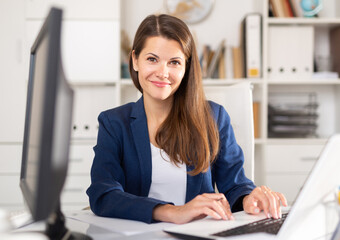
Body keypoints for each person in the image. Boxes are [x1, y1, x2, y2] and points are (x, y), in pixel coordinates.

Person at [86, 14, 287, 224]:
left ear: (186, 67)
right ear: (135, 60)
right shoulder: (114, 123)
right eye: (152, 59)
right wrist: (173, 212)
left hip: (197, 233)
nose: (163, 73)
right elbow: (103, 194)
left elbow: (235, 185)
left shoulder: (214, 117)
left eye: (174, 62)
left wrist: (249, 198)